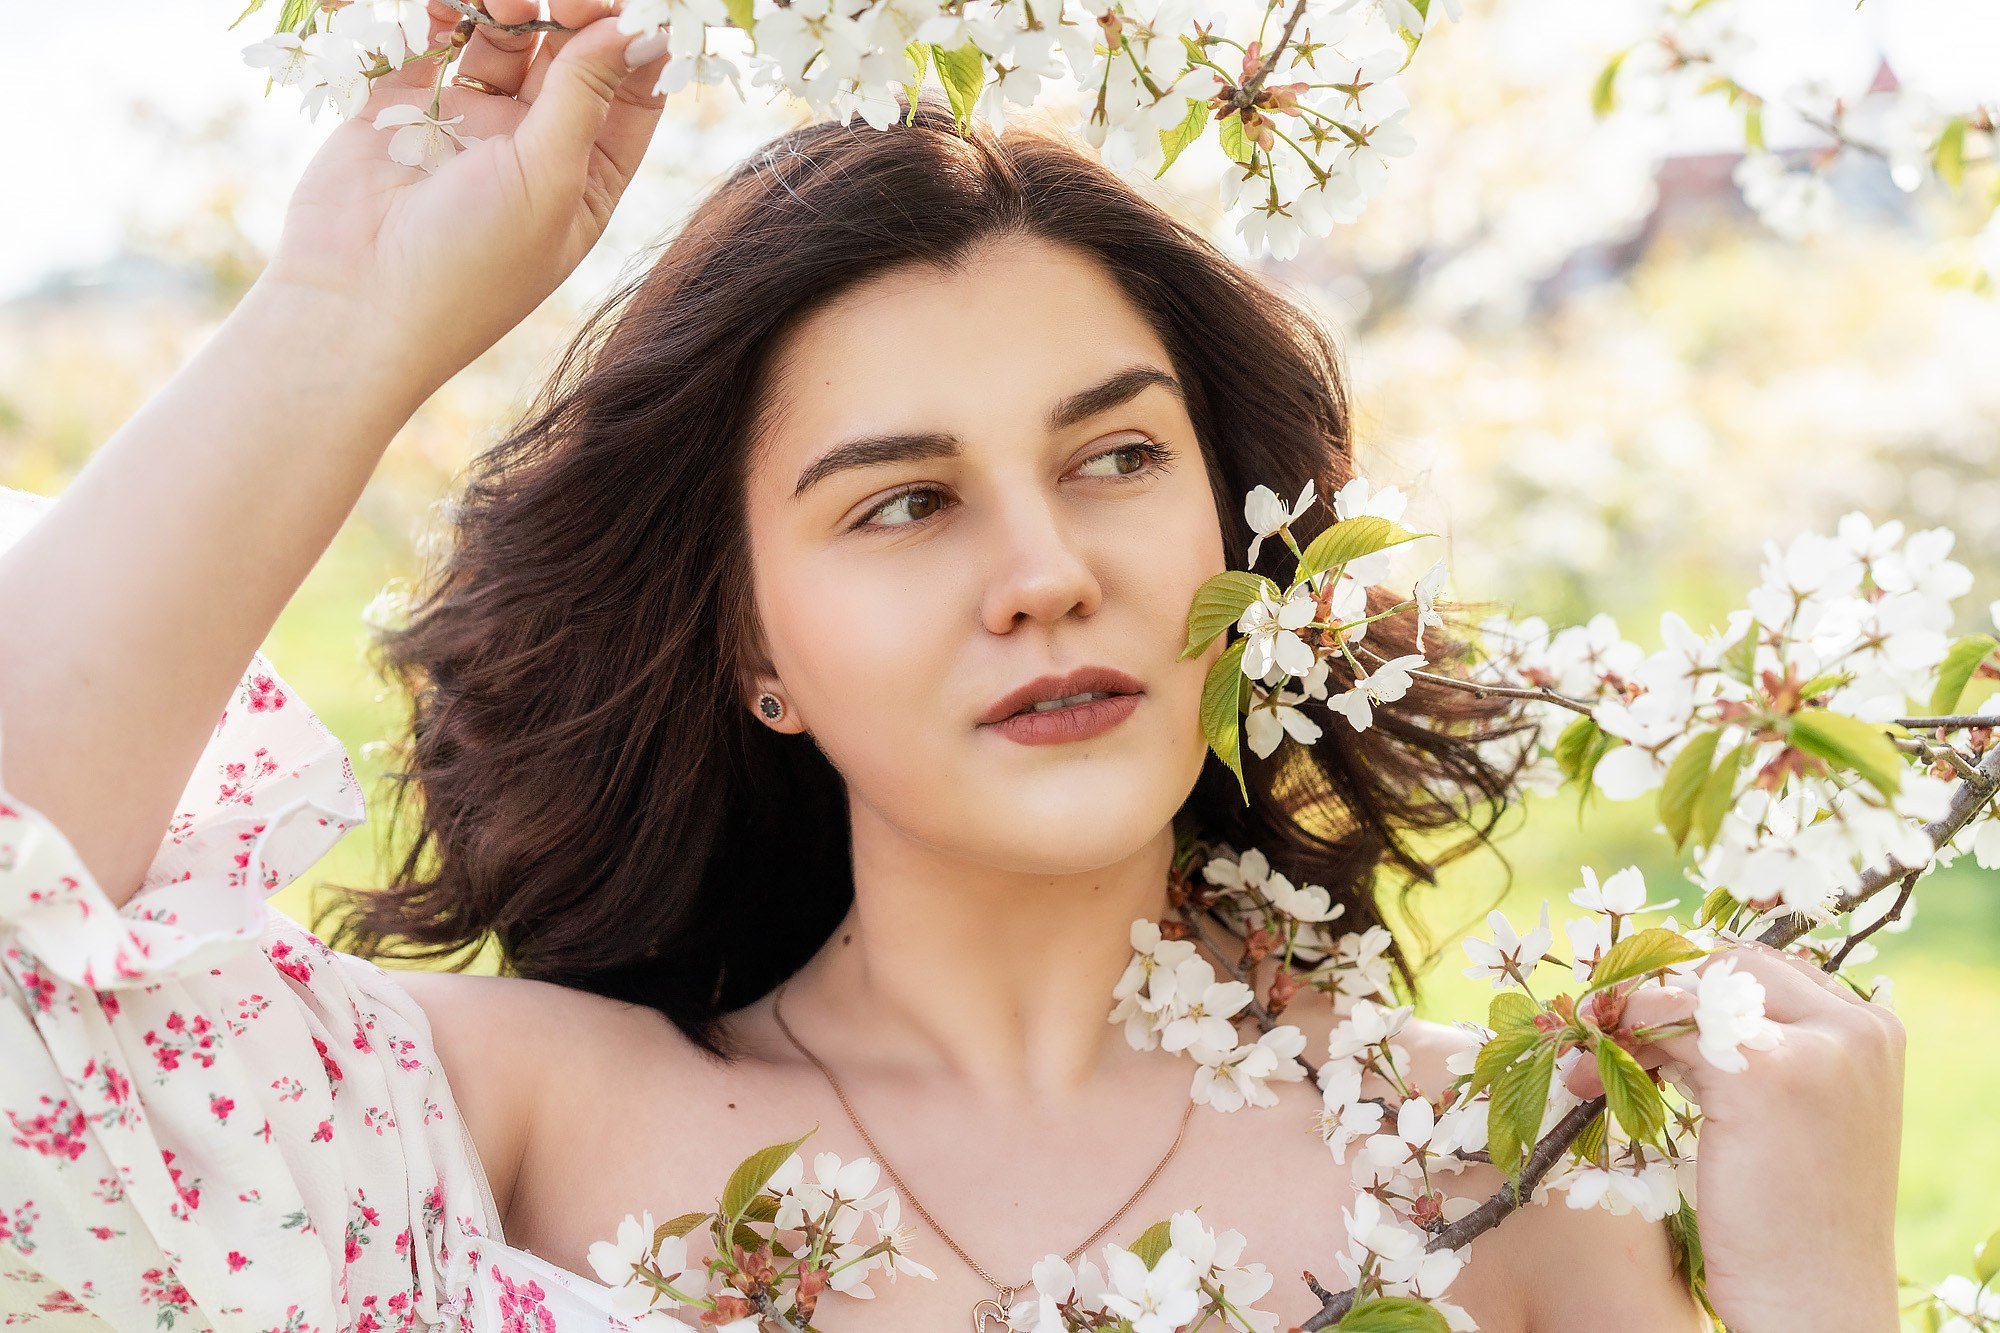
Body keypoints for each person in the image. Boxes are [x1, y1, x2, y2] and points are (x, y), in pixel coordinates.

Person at [0, 1, 1907, 1329]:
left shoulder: (1509, 1172)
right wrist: (348, 308)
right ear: (755, 651)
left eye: (1117, 458)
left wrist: (1823, 1302)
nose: (1045, 572)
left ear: (1245, 546)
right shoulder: (515, 1118)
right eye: (902, 503)